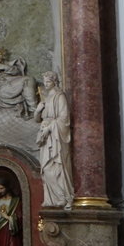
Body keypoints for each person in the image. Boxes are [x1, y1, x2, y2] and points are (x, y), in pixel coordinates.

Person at [36, 71, 74, 208]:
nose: (46, 84)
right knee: (45, 169)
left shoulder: (60, 96)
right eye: (44, 81)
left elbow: (64, 118)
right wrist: (37, 111)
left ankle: (63, 197)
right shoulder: (46, 98)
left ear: (55, 82)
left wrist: (50, 127)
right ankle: (52, 199)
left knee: (55, 167)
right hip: (45, 138)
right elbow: (38, 119)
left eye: (48, 82)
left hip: (55, 136)